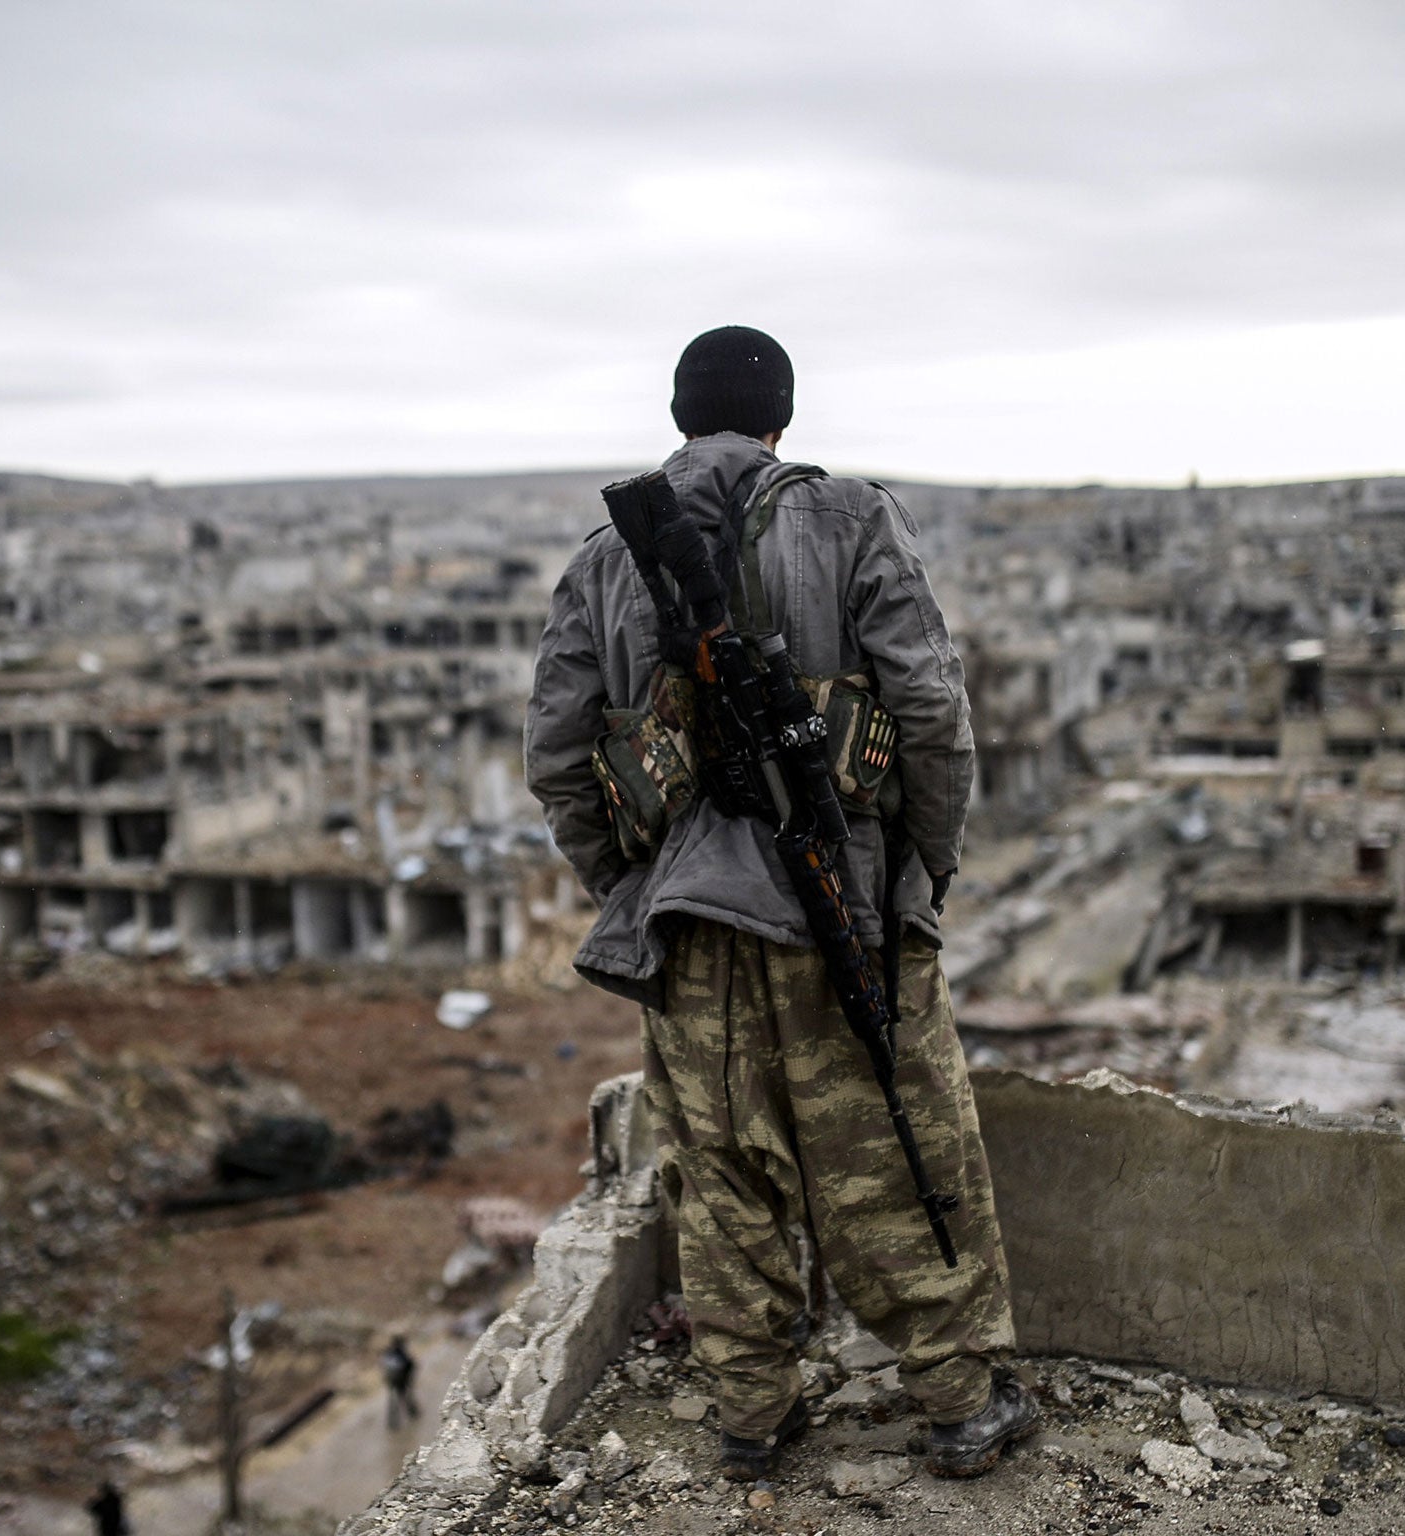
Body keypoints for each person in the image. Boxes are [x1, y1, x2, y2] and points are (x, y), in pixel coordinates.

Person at [525, 326, 1028, 1481]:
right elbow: (930, 712)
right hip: (835, 903)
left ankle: (752, 1415)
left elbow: (558, 759)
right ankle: (957, 1399)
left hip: (687, 929)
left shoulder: (604, 558)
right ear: (781, 422)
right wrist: (921, 871)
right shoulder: (852, 518)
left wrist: (637, 885)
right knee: (887, 1155)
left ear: (676, 415)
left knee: (724, 1174)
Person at [381, 1334, 419, 1430]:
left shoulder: (389, 1353)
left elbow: (384, 1367)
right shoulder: (400, 1354)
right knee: (404, 1399)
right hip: (400, 1381)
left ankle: (395, 1422)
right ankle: (412, 1414)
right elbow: (410, 1365)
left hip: (393, 1381)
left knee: (396, 1401)